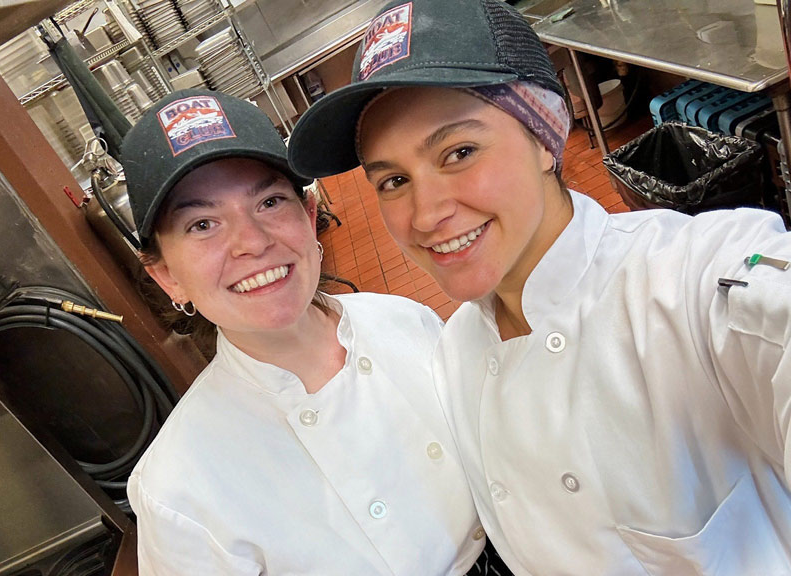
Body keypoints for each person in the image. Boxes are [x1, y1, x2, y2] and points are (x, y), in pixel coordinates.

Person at [286, 1, 791, 574]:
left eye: (459, 152)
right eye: (393, 181)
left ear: (544, 134)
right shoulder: (459, 348)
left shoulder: (682, 277)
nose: (426, 213)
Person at [119, 89, 509, 575]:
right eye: (202, 224)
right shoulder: (178, 488)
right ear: (166, 275)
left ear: (309, 217)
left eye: (269, 201)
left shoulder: (404, 321)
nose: (253, 243)